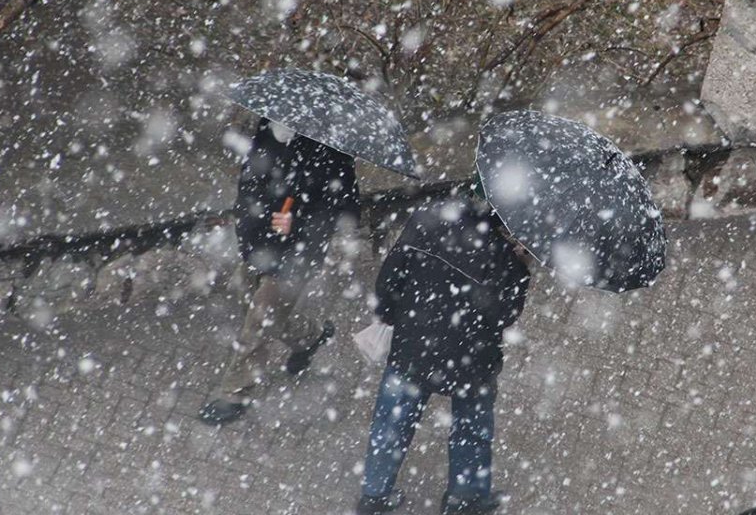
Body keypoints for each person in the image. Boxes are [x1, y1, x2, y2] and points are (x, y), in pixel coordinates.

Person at [355, 189, 531, 515]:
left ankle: (374, 496)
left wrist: (397, 319)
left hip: (412, 348)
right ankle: (464, 499)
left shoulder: (427, 218)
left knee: (391, 425)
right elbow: (504, 315)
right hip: (471, 359)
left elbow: (387, 286)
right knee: (471, 428)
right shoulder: (504, 258)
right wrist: (520, 266)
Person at [199, 117, 360, 425]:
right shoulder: (266, 132)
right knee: (254, 302)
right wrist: (254, 215)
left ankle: (235, 392)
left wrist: (297, 219)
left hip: (295, 257)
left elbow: (347, 210)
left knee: (258, 319)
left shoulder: (331, 153)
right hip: (258, 244)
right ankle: (309, 336)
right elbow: (250, 182)